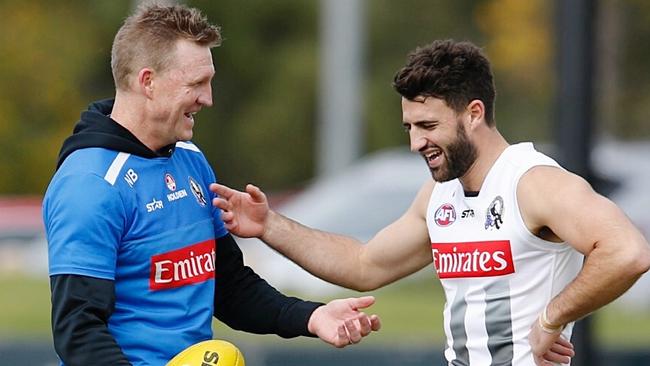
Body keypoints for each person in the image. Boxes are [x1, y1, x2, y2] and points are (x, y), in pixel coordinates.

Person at [211, 39, 650, 366]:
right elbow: (364, 265)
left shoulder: (534, 183)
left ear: (473, 113)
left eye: (427, 125)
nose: (416, 142)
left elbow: (627, 252)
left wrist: (552, 319)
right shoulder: (440, 193)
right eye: (409, 127)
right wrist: (269, 225)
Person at [43, 4, 380, 366]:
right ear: (147, 82)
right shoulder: (90, 184)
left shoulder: (190, 160)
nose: (208, 98)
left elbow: (229, 287)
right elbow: (78, 332)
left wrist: (311, 316)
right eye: (196, 84)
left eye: (209, 82)